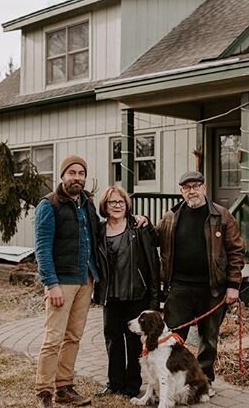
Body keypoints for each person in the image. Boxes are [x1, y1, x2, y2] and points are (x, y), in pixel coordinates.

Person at [158, 171, 245, 395]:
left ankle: (204, 382)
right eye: (187, 187)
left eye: (196, 186)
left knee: (209, 339)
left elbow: (236, 251)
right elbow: (154, 238)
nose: (192, 191)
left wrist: (233, 285)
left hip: (212, 288)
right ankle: (173, 381)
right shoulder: (171, 217)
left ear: (204, 188)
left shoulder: (222, 216)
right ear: (181, 191)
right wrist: (141, 222)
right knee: (173, 338)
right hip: (179, 288)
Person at [34, 155, 98, 407]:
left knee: (74, 337)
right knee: (53, 339)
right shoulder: (49, 205)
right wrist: (51, 284)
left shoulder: (87, 204)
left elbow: (96, 234)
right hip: (62, 282)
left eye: (81, 173)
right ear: (62, 176)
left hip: (85, 279)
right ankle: (44, 392)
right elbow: (42, 248)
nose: (77, 177)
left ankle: (64, 388)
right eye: (72, 173)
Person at [93, 185, 160, 399]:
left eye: (121, 202)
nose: (117, 205)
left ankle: (132, 385)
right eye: (112, 202)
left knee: (133, 343)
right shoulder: (100, 231)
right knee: (112, 341)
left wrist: (154, 297)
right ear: (105, 206)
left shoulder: (138, 228)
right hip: (111, 295)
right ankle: (114, 383)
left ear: (127, 204)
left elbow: (152, 261)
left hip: (136, 294)